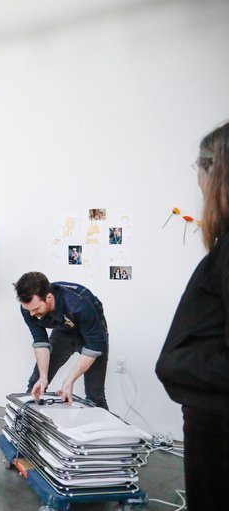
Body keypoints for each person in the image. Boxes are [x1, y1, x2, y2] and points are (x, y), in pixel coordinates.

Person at [156, 121, 229, 510]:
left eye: (199, 169)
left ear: (215, 170)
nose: (197, 181)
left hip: (217, 427)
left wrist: (178, 364)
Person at [14, 272, 109, 409]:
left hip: (94, 337)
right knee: (36, 384)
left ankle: (101, 429)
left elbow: (95, 345)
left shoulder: (78, 304)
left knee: (95, 395)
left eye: (36, 309)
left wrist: (69, 380)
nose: (32, 314)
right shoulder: (28, 308)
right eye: (28, 310)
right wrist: (43, 377)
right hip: (63, 332)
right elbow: (40, 341)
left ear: (49, 298)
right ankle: (24, 428)